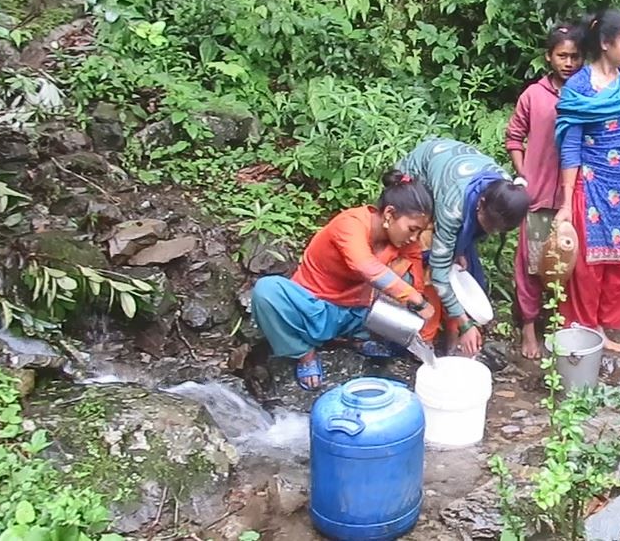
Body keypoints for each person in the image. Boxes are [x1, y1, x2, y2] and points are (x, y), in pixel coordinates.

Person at [250, 171, 439, 391]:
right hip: (316, 307)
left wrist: (422, 329)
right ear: (389, 214)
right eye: (412, 229)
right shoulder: (351, 224)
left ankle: (357, 338)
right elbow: (365, 266)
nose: (414, 238)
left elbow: (416, 279)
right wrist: (415, 299)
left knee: (406, 280)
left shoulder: (406, 241)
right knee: (266, 291)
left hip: (360, 312)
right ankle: (304, 353)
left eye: (420, 232)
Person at [554, 8, 620, 353]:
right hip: (592, 186)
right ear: (605, 43)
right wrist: (566, 203)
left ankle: (604, 324)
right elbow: (570, 147)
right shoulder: (578, 88)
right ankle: (586, 329)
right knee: (588, 265)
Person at [397, 138, 530, 357]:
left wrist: (459, 250)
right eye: (488, 226)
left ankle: (452, 340)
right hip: (416, 181)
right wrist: (465, 324)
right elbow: (440, 276)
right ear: (480, 204)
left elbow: (470, 232)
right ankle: (423, 337)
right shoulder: (454, 207)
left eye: (498, 230)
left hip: (454, 175)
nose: (492, 232)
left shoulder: (507, 190)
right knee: (427, 265)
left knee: (461, 264)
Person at [505, 23, 583, 360]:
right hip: (537, 199)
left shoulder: (587, 94)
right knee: (533, 263)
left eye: (575, 56)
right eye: (562, 56)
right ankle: (528, 327)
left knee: (568, 264)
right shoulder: (534, 95)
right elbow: (514, 137)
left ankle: (559, 323)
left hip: (574, 198)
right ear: (549, 57)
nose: (569, 63)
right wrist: (525, 175)